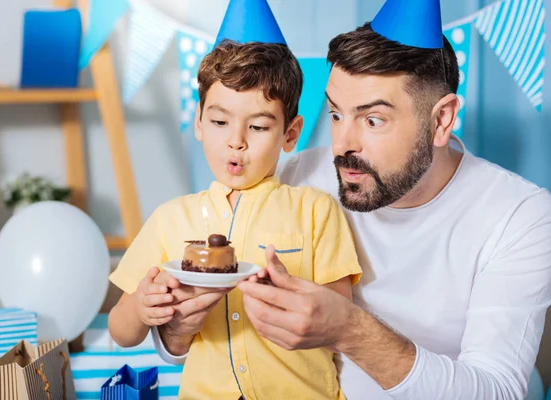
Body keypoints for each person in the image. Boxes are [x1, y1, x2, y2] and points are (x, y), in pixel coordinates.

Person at [150, 0, 551, 399]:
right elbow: (210, 332)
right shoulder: (295, 178)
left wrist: (350, 329)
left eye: (373, 120)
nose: (342, 146)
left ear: (441, 119)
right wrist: (174, 330)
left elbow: (499, 391)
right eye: (336, 115)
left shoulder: (519, 216)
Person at [106, 1, 362, 399]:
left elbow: (339, 327)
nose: (236, 140)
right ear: (198, 121)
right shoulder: (170, 219)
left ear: (290, 134)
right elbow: (120, 332)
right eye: (220, 121)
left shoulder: (315, 210)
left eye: (258, 126)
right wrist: (142, 309)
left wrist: (288, 293)